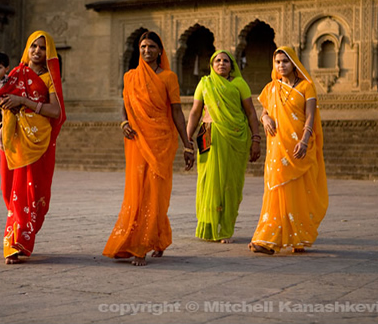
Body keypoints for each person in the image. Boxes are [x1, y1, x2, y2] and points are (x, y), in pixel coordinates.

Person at [103, 31, 195, 266]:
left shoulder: (168, 77)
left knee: (155, 193)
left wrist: (187, 144)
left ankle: (143, 244)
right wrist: (123, 122)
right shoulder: (130, 76)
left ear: (160, 51)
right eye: (143, 46)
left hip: (161, 141)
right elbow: (125, 105)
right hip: (136, 140)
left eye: (151, 46)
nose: (146, 50)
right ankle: (149, 239)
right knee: (137, 191)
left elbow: (176, 112)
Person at [0, 31, 65, 264]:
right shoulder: (16, 73)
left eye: (42, 48)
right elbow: (0, 98)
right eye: (33, 46)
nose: (37, 51)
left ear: (49, 53)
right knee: (9, 190)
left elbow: (56, 111)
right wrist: (4, 105)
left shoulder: (50, 78)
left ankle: (15, 243)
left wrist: (24, 101)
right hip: (14, 140)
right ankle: (19, 237)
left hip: (37, 141)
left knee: (27, 194)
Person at [248, 46, 328, 255]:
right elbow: (263, 112)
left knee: (298, 191)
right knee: (275, 189)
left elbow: (310, 116)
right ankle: (267, 239)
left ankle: (298, 236)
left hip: (298, 146)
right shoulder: (271, 89)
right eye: (277, 62)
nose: (281, 65)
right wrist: (265, 118)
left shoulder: (306, 87)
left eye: (285, 61)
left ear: (293, 63)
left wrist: (304, 140)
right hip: (277, 147)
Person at [186, 50, 261, 244]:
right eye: (217, 60)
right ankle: (207, 225)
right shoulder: (204, 83)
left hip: (235, 136)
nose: (221, 63)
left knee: (229, 182)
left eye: (225, 61)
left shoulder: (239, 84)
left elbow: (251, 113)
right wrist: (187, 138)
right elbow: (195, 112)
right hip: (207, 134)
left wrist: (256, 139)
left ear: (232, 65)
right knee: (207, 179)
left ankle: (224, 228)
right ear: (211, 65)